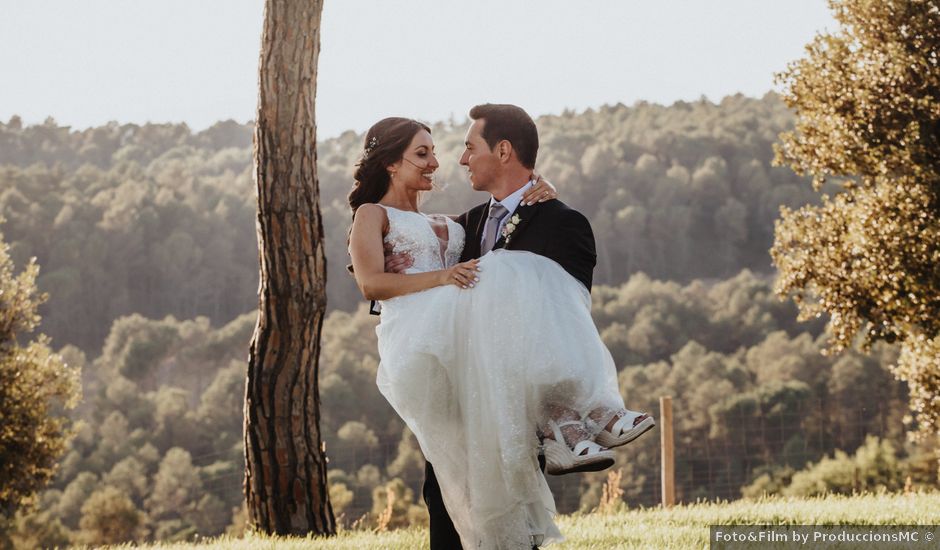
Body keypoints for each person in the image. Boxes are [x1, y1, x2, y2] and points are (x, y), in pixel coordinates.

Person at [347, 107, 654, 549]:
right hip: (434, 349)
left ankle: (571, 419)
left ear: (503, 151)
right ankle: (574, 422)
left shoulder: (481, 223)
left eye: (460, 148)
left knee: (500, 480)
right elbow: (374, 281)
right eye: (424, 153)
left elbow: (560, 299)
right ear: (392, 162)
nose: (447, 161)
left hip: (495, 370)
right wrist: (443, 277)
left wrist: (540, 185)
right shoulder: (409, 218)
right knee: (450, 480)